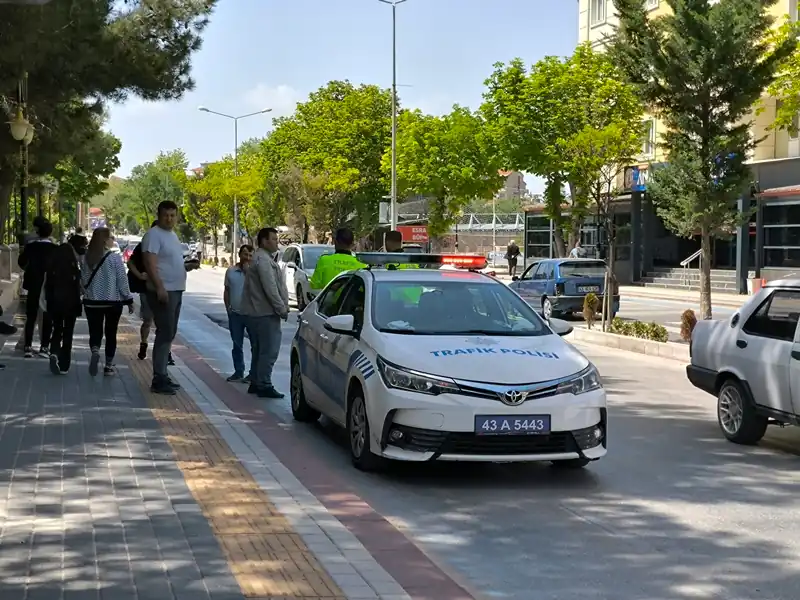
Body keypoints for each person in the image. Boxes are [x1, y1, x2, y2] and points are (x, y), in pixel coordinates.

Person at [141, 200, 200, 395]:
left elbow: (170, 263)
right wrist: (160, 287)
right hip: (164, 291)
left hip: (176, 289)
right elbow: (150, 263)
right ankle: (158, 378)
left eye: (173, 215)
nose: (169, 218)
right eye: (166, 215)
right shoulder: (153, 235)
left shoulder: (172, 235)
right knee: (165, 332)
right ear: (158, 215)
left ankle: (163, 374)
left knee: (170, 332)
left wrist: (186, 267)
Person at [240, 228, 289, 399]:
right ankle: (264, 384)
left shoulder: (264, 259)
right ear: (264, 241)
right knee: (269, 350)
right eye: (274, 239)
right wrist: (282, 309)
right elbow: (271, 288)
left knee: (260, 350)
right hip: (264, 313)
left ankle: (256, 381)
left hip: (259, 312)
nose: (277, 242)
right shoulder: (263, 261)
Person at [82, 228, 134, 376]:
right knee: (111, 333)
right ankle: (109, 366)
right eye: (111, 237)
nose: (114, 239)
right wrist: (128, 299)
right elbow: (122, 281)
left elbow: (84, 279)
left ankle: (95, 350)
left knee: (95, 330)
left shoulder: (87, 257)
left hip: (92, 301)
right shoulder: (115, 258)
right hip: (113, 302)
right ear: (105, 240)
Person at [127, 220, 174, 366]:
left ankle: (167, 353)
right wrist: (140, 275)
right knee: (148, 320)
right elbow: (130, 262)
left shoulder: (169, 245)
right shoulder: (144, 245)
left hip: (166, 288)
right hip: (148, 289)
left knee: (166, 323)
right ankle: (144, 343)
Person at [44, 234, 87, 375]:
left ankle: (54, 352)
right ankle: (64, 365)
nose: (84, 249)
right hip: (70, 302)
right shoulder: (71, 259)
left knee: (57, 328)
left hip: (54, 300)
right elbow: (77, 283)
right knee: (68, 332)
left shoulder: (57, 254)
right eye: (83, 246)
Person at [18, 219, 56, 358]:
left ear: (37, 232)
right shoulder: (55, 249)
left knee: (31, 315)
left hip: (33, 284)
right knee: (47, 315)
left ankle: (27, 346)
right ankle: (44, 346)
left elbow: (21, 262)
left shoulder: (30, 247)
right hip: (48, 286)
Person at [224, 244, 255, 383]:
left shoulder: (255, 272)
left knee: (255, 345)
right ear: (239, 255)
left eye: (250, 255)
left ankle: (253, 373)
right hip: (235, 314)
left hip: (251, 314)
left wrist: (249, 272)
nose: (247, 258)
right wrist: (228, 308)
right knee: (237, 344)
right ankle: (238, 371)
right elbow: (227, 290)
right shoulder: (230, 271)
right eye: (245, 254)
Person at [309, 227, 366, 293]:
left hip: (328, 302)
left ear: (335, 242)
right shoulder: (362, 265)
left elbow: (314, 285)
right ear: (352, 244)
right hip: (352, 303)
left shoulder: (324, 260)